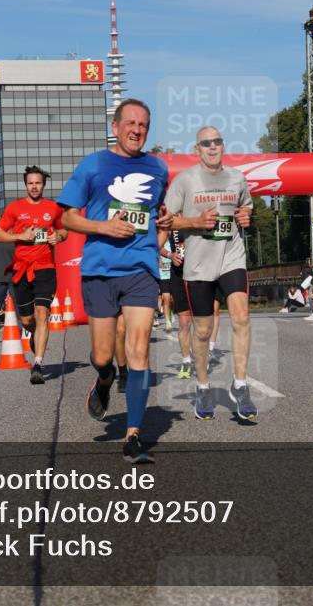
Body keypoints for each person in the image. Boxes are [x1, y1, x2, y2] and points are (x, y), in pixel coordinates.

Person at [58, 98, 171, 462]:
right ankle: (104, 379)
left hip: (141, 269)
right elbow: (68, 219)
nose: (137, 130)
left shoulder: (158, 169)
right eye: (131, 124)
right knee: (102, 355)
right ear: (116, 126)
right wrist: (102, 226)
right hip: (100, 270)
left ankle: (133, 435)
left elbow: (160, 211)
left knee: (138, 349)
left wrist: (163, 228)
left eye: (143, 126)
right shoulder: (93, 165)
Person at [165, 126, 257, 421]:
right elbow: (167, 221)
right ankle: (203, 387)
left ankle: (240, 385)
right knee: (202, 331)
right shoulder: (184, 180)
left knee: (241, 316)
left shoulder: (237, 177)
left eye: (217, 141)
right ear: (197, 149)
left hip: (231, 256)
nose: (213, 147)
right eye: (206, 143)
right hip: (198, 265)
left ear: (223, 145)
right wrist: (196, 221)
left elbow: (246, 205)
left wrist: (246, 215)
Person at [0, 166, 67, 385]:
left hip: (45, 268)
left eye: (38, 183)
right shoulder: (14, 208)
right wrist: (20, 235)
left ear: (44, 185)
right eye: (30, 183)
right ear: (25, 185)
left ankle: (38, 363)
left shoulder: (53, 208)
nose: (34, 187)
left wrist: (59, 238)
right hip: (21, 269)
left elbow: (63, 230)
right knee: (27, 320)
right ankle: (35, 336)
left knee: (43, 313)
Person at [160, 228, 193, 378]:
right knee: (184, 322)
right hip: (178, 273)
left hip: (200, 272)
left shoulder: (197, 213)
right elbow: (156, 245)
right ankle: (186, 361)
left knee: (202, 321)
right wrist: (170, 255)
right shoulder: (170, 220)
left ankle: (203, 353)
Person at [157, 248, 174, 332]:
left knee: (172, 299)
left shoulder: (173, 242)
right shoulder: (159, 243)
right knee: (166, 297)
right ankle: (167, 321)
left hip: (173, 276)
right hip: (163, 276)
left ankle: (170, 312)